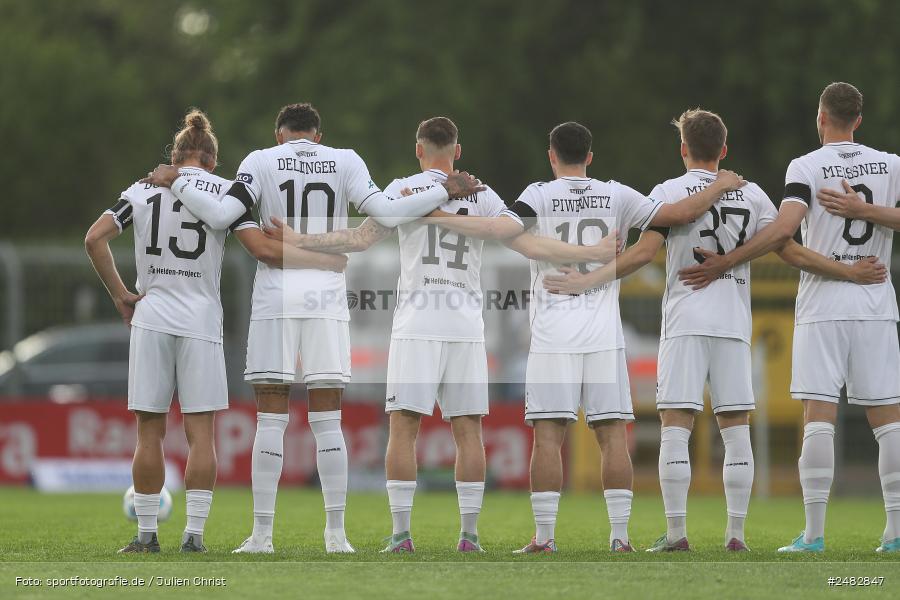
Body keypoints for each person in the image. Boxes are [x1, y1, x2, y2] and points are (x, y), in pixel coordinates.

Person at [263, 116, 619, 553]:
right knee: (468, 429)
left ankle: (401, 535)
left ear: (419, 150)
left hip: (417, 321)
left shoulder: (403, 189)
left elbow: (359, 238)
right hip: (466, 322)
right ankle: (469, 536)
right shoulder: (484, 194)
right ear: (458, 151)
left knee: (403, 427)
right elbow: (526, 243)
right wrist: (590, 255)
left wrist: (300, 239)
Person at [141, 103, 484, 554]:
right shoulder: (345, 159)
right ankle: (336, 535)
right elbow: (385, 211)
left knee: (270, 417)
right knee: (328, 420)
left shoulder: (260, 160)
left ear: (280, 135)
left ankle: (262, 535)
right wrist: (442, 191)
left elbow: (223, 216)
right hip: (325, 297)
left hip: (276, 297)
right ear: (317, 137)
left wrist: (179, 180)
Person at [543, 109, 886, 553]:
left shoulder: (667, 193)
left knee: (675, 425)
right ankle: (736, 533)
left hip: (685, 321)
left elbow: (644, 253)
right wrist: (846, 270)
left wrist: (590, 278)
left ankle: (676, 532)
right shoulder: (753, 194)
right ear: (724, 149)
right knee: (736, 426)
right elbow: (790, 250)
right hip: (733, 323)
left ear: (683, 149)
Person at [411, 121, 745, 553]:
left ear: (552, 156)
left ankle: (545, 538)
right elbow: (678, 215)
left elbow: (500, 232)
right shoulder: (619, 194)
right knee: (611, 435)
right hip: (605, 333)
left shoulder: (536, 195)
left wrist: (435, 214)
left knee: (548, 436)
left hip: (553, 335)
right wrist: (720, 185)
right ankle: (620, 537)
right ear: (590, 156)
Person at [85, 109, 342, 553]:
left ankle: (146, 536)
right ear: (212, 161)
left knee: (150, 431)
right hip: (201, 322)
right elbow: (263, 249)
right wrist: (325, 257)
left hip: (151, 316)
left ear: (176, 155)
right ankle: (194, 536)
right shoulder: (228, 193)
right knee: (200, 434)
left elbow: (94, 238)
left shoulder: (143, 190)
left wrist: (121, 295)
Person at [676, 83, 900, 554]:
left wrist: (726, 261)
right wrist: (868, 211)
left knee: (818, 416)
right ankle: (895, 534)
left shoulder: (806, 166)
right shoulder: (892, 164)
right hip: (877, 300)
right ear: (858, 119)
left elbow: (782, 233)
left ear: (821, 118)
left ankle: (814, 536)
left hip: (823, 305)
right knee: (888, 421)